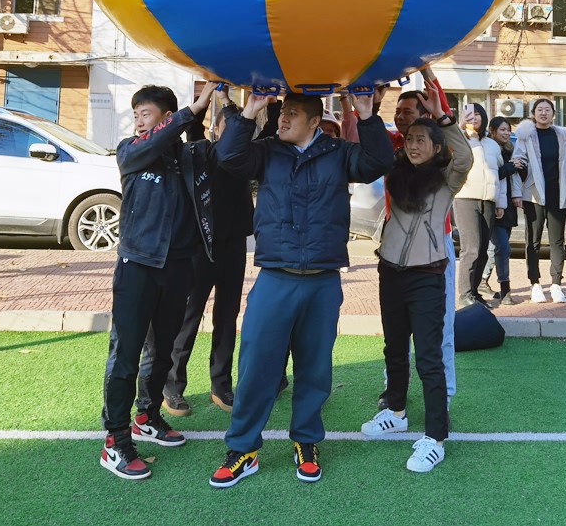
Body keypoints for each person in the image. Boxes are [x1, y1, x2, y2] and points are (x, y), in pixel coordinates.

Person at [208, 88, 393, 488]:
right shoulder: (267, 150)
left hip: (323, 280)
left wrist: (366, 114)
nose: (283, 119)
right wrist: (250, 111)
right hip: (275, 275)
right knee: (256, 367)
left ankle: (306, 442)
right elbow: (228, 157)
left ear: (314, 120)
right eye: (283, 113)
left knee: (314, 369)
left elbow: (379, 160)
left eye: (292, 114)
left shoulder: (338, 153)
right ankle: (243, 449)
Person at [100, 80, 217, 481]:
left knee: (162, 350)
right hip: (136, 267)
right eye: (135, 116)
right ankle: (115, 441)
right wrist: (190, 112)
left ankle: (146, 418)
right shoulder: (131, 152)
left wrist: (230, 106)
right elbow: (149, 143)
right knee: (125, 354)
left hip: (178, 267)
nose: (138, 123)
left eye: (145, 115)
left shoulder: (187, 157)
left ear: (165, 118)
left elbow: (222, 156)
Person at [360, 83, 473, 472]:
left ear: (437, 146)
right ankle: (395, 410)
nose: (413, 144)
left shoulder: (446, 179)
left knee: (428, 356)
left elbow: (466, 156)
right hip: (389, 273)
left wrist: (440, 115)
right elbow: (372, 146)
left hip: (427, 277)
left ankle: (436, 436)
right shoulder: (394, 171)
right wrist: (365, 106)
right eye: (409, 139)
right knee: (394, 348)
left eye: (422, 139)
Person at [139, 86, 254, 419]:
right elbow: (193, 127)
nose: (232, 136)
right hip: (200, 246)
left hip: (233, 247)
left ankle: (221, 385)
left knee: (226, 318)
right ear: (217, 130)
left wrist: (240, 104)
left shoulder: (247, 158)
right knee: (187, 319)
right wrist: (213, 94)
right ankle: (172, 387)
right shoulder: (201, 152)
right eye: (226, 129)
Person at [513, 99, 566, 303]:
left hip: (558, 195)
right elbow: (517, 163)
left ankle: (556, 284)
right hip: (533, 196)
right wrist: (517, 192)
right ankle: (535, 283)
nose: (543, 113)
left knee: (557, 241)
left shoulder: (563, 136)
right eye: (539, 110)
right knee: (533, 241)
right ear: (533, 113)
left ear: (553, 114)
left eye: (547, 110)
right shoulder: (526, 136)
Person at [454, 104, 504, 307]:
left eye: (477, 114)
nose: (473, 118)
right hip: (465, 198)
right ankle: (464, 294)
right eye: (469, 114)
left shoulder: (492, 145)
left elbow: (497, 176)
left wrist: (500, 202)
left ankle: (474, 292)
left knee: (483, 249)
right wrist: (459, 126)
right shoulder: (459, 139)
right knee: (471, 248)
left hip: (489, 201)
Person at [478, 117, 525, 305]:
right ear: (492, 130)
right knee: (503, 248)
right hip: (494, 205)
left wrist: (520, 167)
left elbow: (517, 175)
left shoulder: (510, 150)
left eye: (508, 130)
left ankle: (482, 280)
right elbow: (490, 176)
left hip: (508, 207)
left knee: (496, 248)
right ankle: (505, 289)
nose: (506, 133)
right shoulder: (487, 149)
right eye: (502, 130)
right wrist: (510, 167)